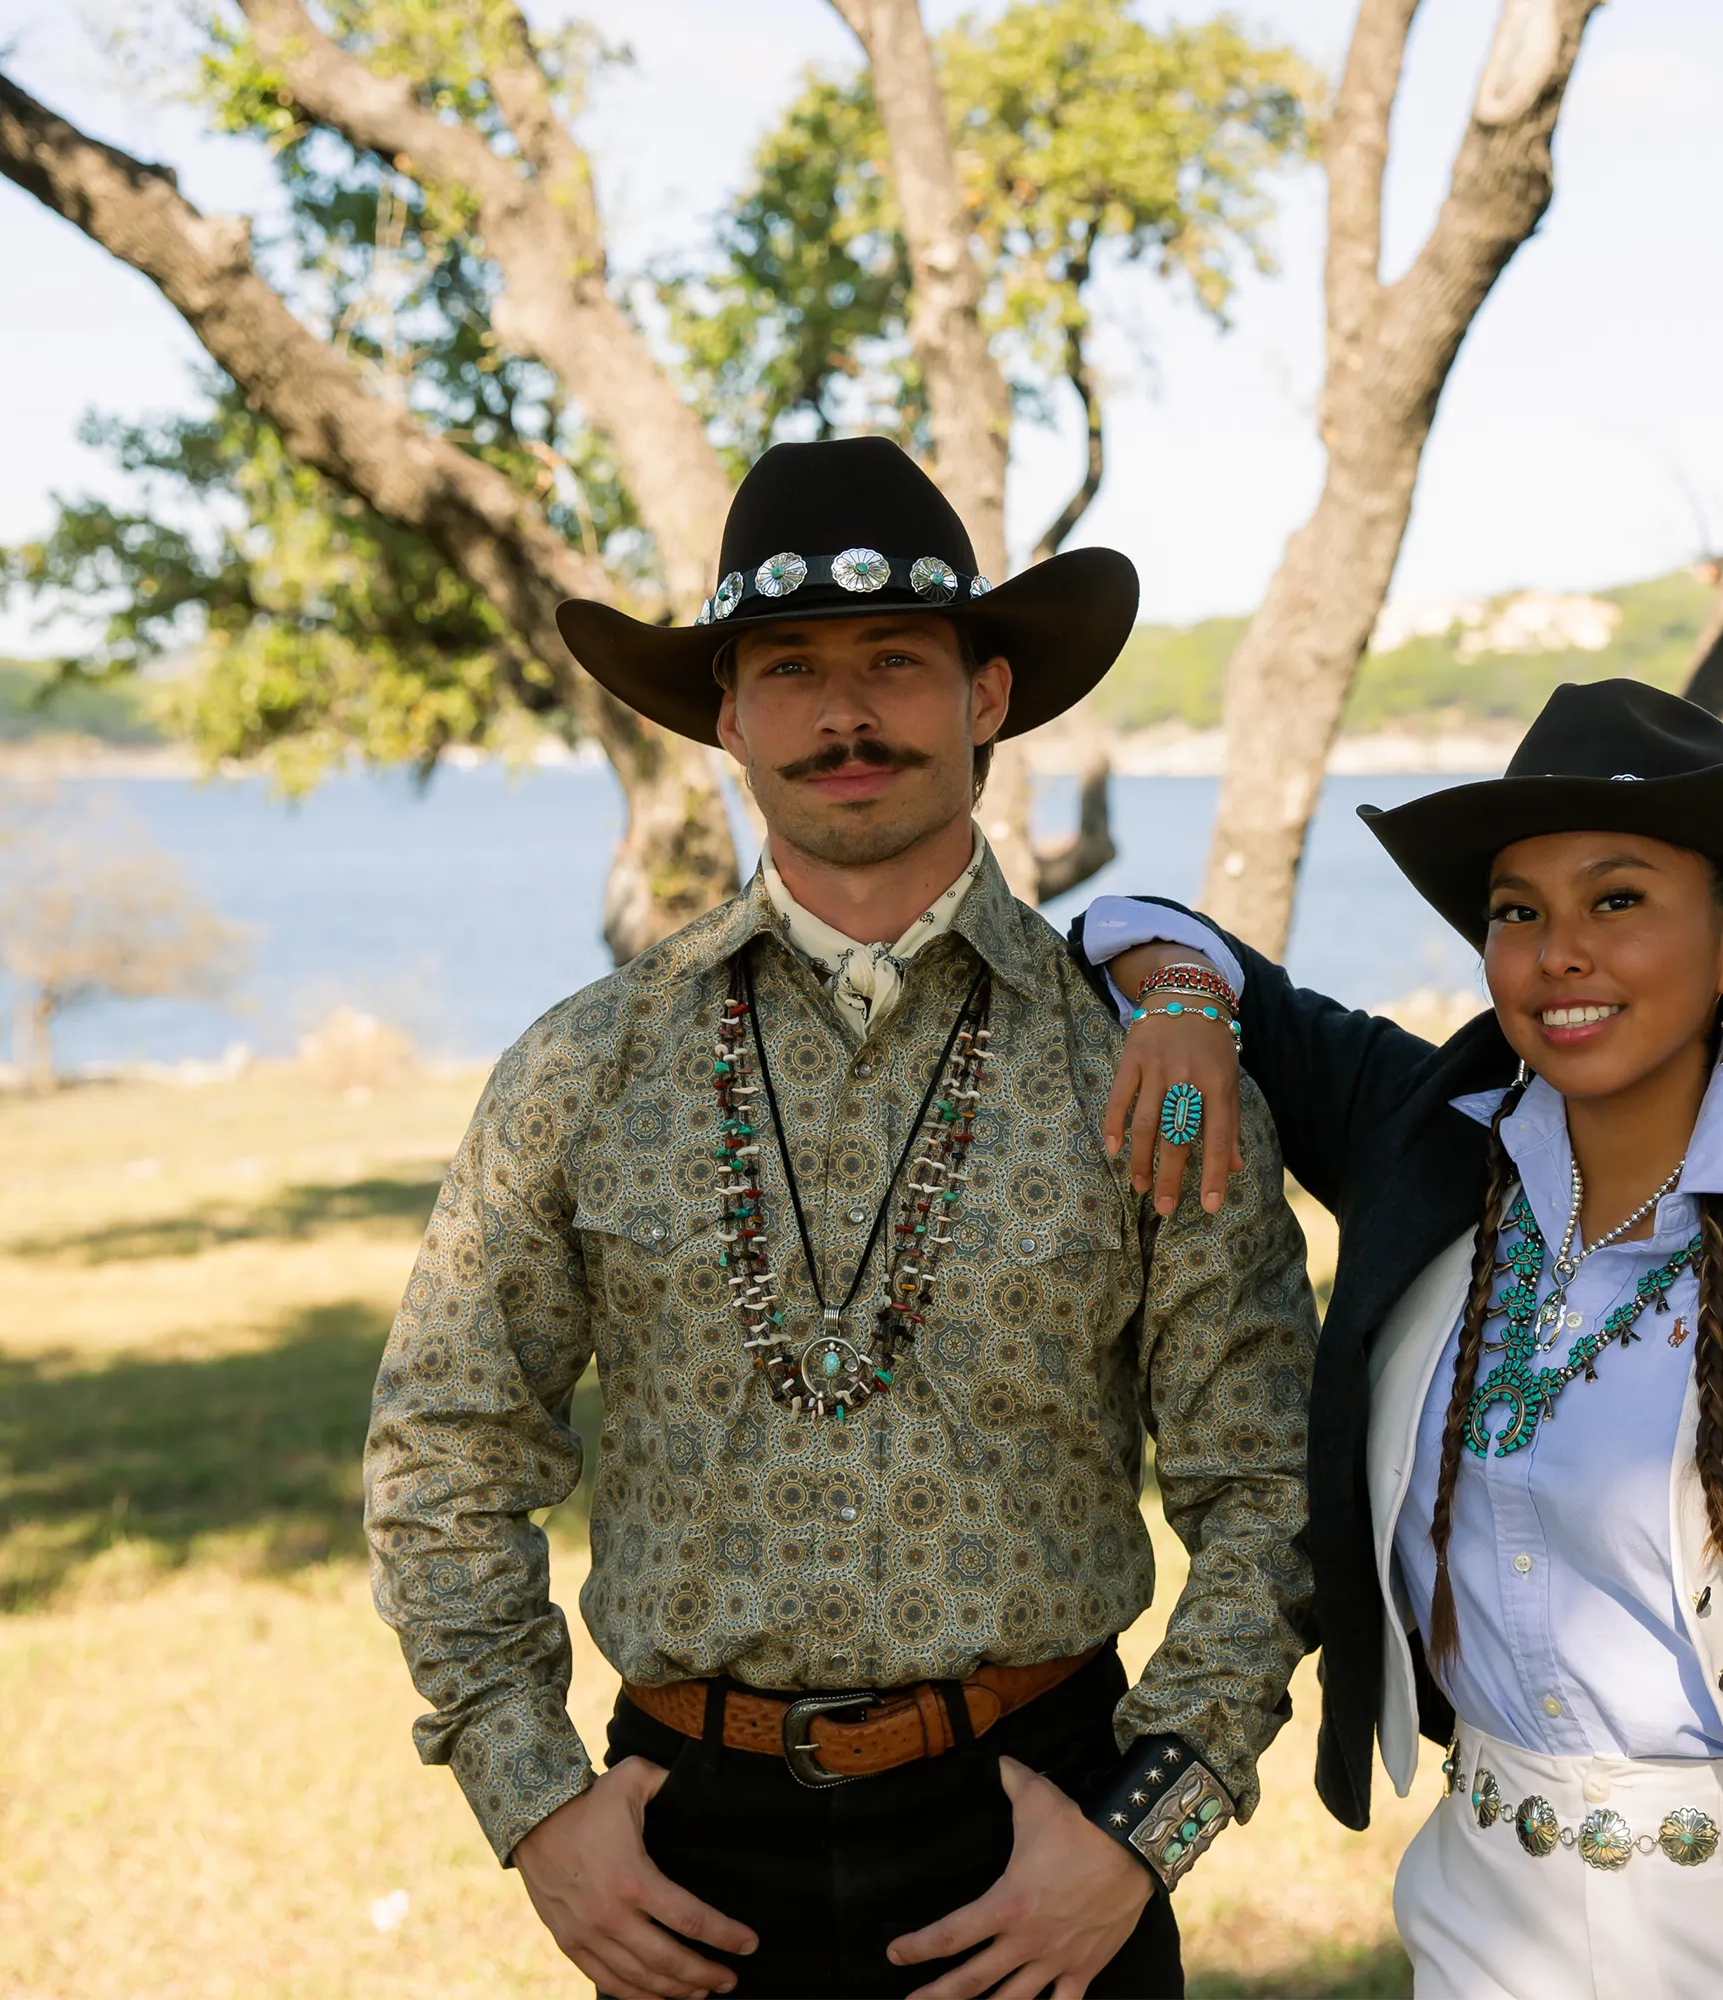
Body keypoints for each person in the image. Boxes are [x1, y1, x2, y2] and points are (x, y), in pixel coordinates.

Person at [364, 437, 1319, 2000]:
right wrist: (535, 1806)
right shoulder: (584, 1067)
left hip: (1045, 1834)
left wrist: (1146, 1823)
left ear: (987, 696)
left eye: (894, 660)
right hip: (685, 1859)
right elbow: (446, 1449)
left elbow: (1271, 1484)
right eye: (790, 669)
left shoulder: (1146, 1065)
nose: (845, 712)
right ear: (728, 716)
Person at [1079, 679, 1723, 2000]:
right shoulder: (1421, 1142)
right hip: (1486, 1919)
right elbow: (1141, 923)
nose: (1557, 952)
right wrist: (1185, 1003)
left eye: (1618, 899)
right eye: (1518, 912)